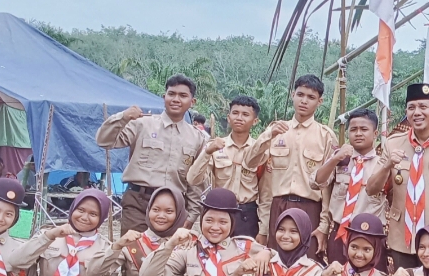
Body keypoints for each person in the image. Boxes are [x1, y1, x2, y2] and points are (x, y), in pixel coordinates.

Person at [366, 83, 429, 270]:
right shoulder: (392, 143)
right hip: (401, 239)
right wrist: (388, 164)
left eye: (423, 107)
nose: (417, 112)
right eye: (411, 108)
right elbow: (371, 189)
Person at [96, 74, 208, 232]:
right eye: (171, 94)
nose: (176, 99)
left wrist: (191, 216)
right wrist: (123, 117)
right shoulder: (141, 124)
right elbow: (104, 141)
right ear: (164, 97)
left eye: (183, 95)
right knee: (133, 252)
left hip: (174, 206)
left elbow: (195, 182)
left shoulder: (198, 138)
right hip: (138, 202)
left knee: (167, 255)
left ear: (192, 102)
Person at [244, 74, 337, 260]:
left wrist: (324, 225)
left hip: (310, 208)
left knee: (308, 263)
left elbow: (328, 187)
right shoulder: (277, 129)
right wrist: (267, 135)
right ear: (293, 94)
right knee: (275, 262)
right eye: (300, 94)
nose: (304, 101)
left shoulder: (326, 136)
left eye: (311, 97)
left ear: (320, 101)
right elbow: (250, 162)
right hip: (278, 206)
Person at [312, 108, 388, 265]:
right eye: (353, 129)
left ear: (375, 133)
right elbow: (316, 182)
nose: (358, 133)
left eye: (364, 129)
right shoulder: (340, 160)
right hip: (340, 233)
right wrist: (334, 159)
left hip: (370, 236)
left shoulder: (383, 164)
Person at [187, 95, 265, 239]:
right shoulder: (216, 146)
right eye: (235, 113)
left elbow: (266, 192)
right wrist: (208, 152)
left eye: (245, 114)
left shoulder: (260, 150)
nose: (239, 118)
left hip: (247, 214)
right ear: (228, 117)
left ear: (255, 121)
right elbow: (192, 179)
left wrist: (264, 229)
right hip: (218, 212)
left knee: (244, 258)